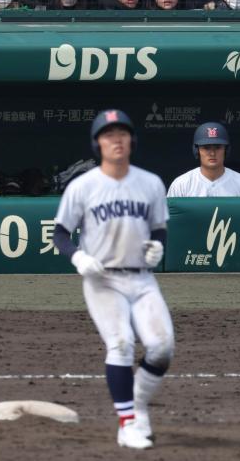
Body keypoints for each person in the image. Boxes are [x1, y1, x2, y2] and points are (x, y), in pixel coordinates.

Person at [52, 109, 173, 450]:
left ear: (131, 140)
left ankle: (136, 407)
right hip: (102, 279)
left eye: (122, 133)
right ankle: (128, 423)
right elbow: (60, 233)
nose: (116, 140)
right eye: (108, 134)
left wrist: (156, 249)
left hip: (142, 278)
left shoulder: (150, 183)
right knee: (120, 344)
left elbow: (159, 229)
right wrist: (77, 256)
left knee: (162, 347)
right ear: (98, 143)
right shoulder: (83, 186)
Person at [167, 122, 240, 197]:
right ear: (197, 150)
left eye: (218, 147)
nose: (212, 153)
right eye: (206, 148)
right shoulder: (181, 184)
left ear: (226, 150)